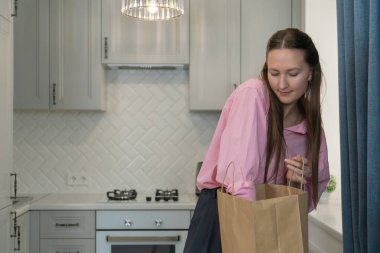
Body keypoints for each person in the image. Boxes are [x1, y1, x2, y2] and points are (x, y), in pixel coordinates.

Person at [183, 28, 330, 253]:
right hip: (226, 215)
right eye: (274, 73)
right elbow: (239, 177)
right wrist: (252, 232)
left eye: (292, 73)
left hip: (269, 222)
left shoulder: (311, 130)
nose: (282, 84)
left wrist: (296, 182)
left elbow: (307, 201)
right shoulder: (253, 94)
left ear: (310, 72)